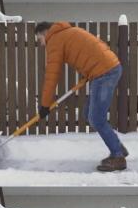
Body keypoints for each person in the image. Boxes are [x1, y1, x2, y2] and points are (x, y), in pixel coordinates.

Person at [34, 22, 129, 172]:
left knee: (97, 118)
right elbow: (93, 48)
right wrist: (89, 73)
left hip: (104, 72)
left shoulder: (55, 40)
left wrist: (45, 105)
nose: (41, 44)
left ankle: (118, 157)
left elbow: (52, 75)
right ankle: (117, 147)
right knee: (88, 114)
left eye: (39, 39)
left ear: (45, 33)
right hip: (108, 68)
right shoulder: (70, 31)